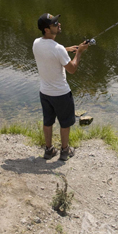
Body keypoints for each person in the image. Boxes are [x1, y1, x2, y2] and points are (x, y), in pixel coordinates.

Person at [32, 13, 89, 161]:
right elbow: (72, 69)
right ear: (47, 29)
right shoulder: (58, 49)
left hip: (44, 92)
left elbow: (50, 48)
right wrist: (79, 52)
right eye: (55, 24)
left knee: (48, 121)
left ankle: (49, 150)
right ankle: (65, 151)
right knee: (65, 123)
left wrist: (67, 49)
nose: (59, 25)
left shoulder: (36, 43)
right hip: (61, 94)